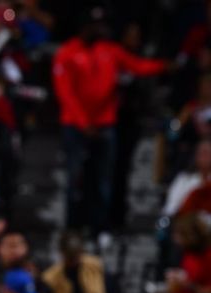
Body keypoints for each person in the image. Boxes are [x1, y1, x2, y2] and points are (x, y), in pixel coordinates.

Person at [52, 6, 166, 240]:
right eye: (96, 25)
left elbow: (137, 66)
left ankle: (99, 228)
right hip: (75, 126)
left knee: (103, 181)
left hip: (105, 124)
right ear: (85, 28)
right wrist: (84, 123)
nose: (102, 29)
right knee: (75, 179)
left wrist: (165, 65)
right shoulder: (66, 53)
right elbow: (65, 94)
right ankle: (72, 228)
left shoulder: (110, 50)